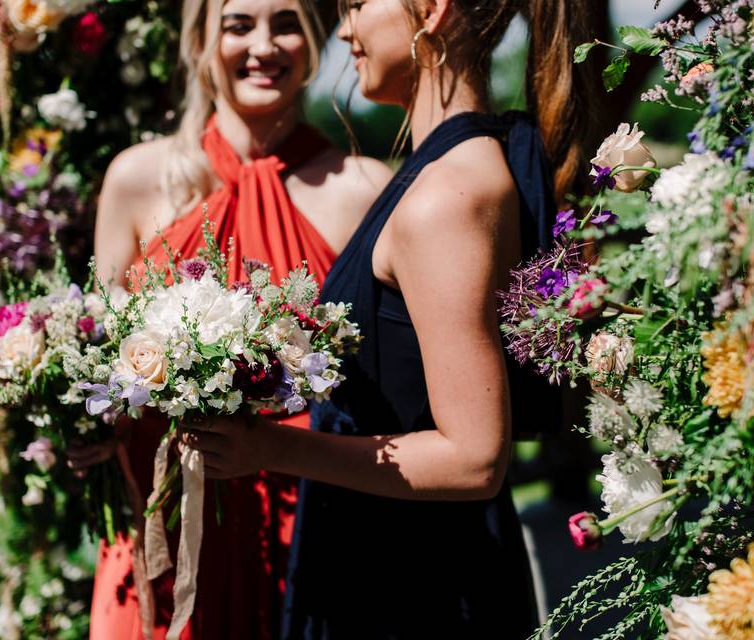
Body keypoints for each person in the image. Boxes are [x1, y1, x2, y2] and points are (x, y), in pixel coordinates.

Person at [182, 0, 592, 636]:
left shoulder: (448, 196)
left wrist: (268, 447)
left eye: (356, 5)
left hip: (411, 591)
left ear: (430, 11)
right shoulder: (452, 169)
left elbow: (474, 457)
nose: (344, 29)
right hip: (387, 563)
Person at [67, 0, 390, 637]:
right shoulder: (137, 179)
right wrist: (86, 426)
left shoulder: (364, 189)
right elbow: (99, 353)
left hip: (306, 528)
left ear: (317, 41)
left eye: (287, 22)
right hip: (165, 525)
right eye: (239, 24)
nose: (263, 46)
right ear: (200, 42)